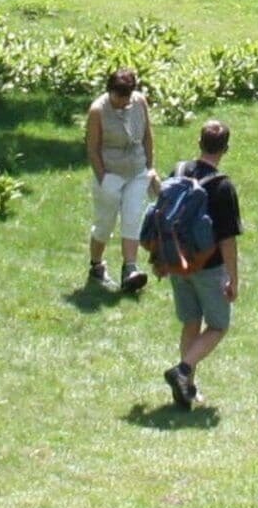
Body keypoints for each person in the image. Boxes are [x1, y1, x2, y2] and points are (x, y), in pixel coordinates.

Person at [145, 121, 242, 410]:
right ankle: (183, 371)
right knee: (217, 326)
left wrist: (159, 258)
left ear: (199, 143)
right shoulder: (223, 186)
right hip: (208, 267)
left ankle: (186, 391)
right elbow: (227, 240)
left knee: (190, 321)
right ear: (225, 148)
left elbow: (163, 214)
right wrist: (233, 279)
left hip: (177, 261)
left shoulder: (178, 171)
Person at [82, 70, 155, 296]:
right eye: (117, 97)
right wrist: (103, 177)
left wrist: (149, 167)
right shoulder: (97, 111)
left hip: (136, 171)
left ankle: (130, 270)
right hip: (110, 173)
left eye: (125, 98)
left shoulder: (139, 102)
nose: (121, 103)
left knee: (133, 218)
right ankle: (96, 265)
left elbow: (147, 136)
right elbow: (93, 148)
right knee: (105, 222)